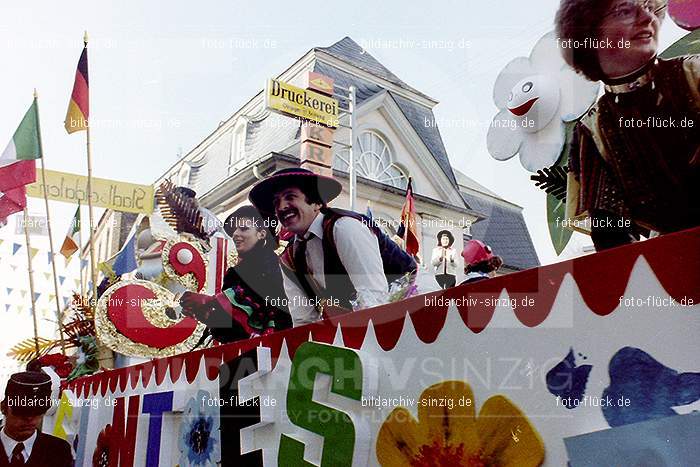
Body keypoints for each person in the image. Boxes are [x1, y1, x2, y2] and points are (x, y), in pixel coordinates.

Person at [556, 0, 700, 251]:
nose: (647, 18)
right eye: (625, 10)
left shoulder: (695, 73)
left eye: (649, 7)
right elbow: (611, 233)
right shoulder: (592, 129)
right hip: (675, 263)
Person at [248, 168, 417, 326]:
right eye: (276, 202)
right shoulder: (289, 259)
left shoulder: (345, 227)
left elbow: (374, 298)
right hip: (366, 322)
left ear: (316, 203)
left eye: (290, 197)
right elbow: (303, 321)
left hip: (418, 308)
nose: (281, 207)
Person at [179, 205, 292, 342]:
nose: (235, 234)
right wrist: (206, 314)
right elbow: (228, 331)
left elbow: (269, 297)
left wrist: (213, 302)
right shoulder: (233, 274)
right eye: (234, 230)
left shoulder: (277, 265)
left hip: (279, 346)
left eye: (244, 229)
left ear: (261, 234)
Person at [0, 371, 73, 467]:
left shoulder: (58, 450)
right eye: (22, 411)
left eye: (37, 411)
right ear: (3, 407)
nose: (29, 418)